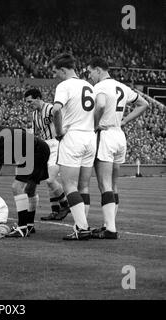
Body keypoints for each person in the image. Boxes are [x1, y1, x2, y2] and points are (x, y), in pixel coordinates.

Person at [87, 57, 149, 239]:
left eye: (90, 72)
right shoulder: (122, 86)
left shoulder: (99, 87)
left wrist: (96, 124)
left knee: (104, 184)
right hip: (119, 135)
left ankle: (111, 229)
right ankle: (109, 224)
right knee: (113, 184)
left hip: (105, 135)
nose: (89, 76)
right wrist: (124, 120)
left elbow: (100, 104)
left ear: (98, 70)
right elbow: (144, 104)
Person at [50, 53, 96, 240]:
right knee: (83, 186)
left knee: (69, 185)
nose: (55, 76)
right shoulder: (89, 86)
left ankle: (82, 228)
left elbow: (56, 109)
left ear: (63, 70)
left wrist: (59, 132)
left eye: (55, 72)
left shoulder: (64, 85)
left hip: (73, 137)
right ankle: (83, 224)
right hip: (90, 137)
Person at [24, 88, 70, 221]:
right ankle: (55, 212)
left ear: (38, 98)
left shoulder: (51, 109)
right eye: (27, 102)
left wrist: (63, 133)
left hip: (57, 144)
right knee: (48, 180)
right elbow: (33, 133)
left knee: (50, 179)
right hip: (45, 146)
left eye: (30, 101)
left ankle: (65, 205)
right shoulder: (34, 115)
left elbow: (63, 118)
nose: (29, 105)